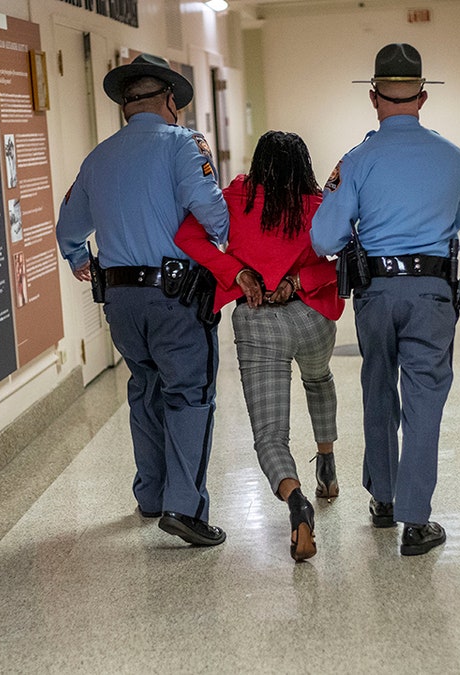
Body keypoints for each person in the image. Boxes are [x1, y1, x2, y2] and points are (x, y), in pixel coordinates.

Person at [56, 53, 230, 547]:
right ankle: (185, 508)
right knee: (190, 393)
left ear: (125, 107)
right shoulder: (183, 144)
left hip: (121, 300)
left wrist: (78, 258)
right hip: (176, 296)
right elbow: (211, 210)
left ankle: (151, 494)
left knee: (146, 387)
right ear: (171, 100)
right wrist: (226, 242)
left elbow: (69, 227)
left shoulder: (99, 157)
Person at [310, 43, 460, 557]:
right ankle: (416, 522)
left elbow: (324, 239)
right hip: (433, 292)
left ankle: (382, 499)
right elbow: (459, 219)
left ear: (374, 98)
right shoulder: (453, 157)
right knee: (424, 398)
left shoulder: (356, 160)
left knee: (379, 385)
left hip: (376, 293)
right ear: (423, 98)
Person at [175, 131, 344, 562]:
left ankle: (296, 502)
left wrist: (238, 274)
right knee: (318, 377)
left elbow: (189, 239)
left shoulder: (234, 200)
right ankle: (326, 462)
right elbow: (344, 257)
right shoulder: (317, 207)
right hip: (311, 319)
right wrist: (299, 281)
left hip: (257, 322)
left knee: (270, 435)